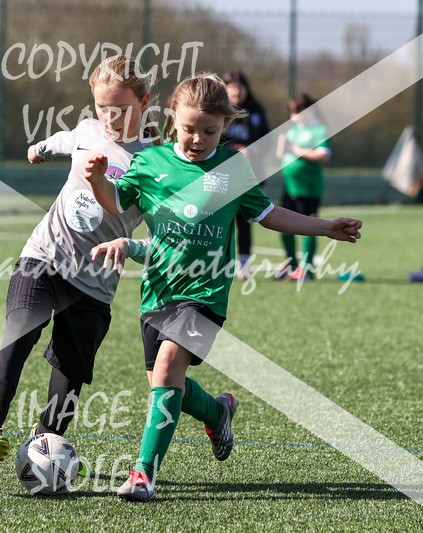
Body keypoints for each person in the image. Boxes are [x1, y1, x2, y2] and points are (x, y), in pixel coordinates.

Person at [84, 73, 362, 501]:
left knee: (166, 369)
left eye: (210, 131)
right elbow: (116, 203)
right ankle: (218, 411)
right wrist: (98, 180)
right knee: (164, 384)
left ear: (226, 126)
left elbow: (269, 214)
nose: (198, 138)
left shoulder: (232, 169)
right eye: (190, 128)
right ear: (172, 118)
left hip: (205, 296)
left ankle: (143, 474)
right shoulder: (150, 164)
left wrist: (326, 228)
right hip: (158, 292)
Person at [0, 55, 161, 478]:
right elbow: (65, 139)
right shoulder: (89, 132)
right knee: (17, 335)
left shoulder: (156, 163)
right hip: (44, 257)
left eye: (121, 108)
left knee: (69, 375)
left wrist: (131, 247)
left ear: (145, 101)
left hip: (94, 285)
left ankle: (44, 448)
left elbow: (165, 239)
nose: (110, 117)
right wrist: (38, 149)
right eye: (102, 107)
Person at [275, 93, 332, 281]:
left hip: (308, 188)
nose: (295, 116)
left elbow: (324, 155)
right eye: (292, 113)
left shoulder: (319, 130)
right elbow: (280, 155)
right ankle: (291, 264)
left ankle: (307, 269)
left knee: (310, 225)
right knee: (283, 226)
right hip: (289, 186)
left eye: (298, 112)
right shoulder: (292, 130)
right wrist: (282, 147)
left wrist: (297, 150)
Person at [221, 71, 271, 278]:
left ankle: (243, 265)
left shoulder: (256, 112)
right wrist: (233, 149)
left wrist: (252, 150)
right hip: (222, 175)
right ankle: (218, 263)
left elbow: (268, 140)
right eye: (231, 87)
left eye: (240, 87)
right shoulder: (218, 110)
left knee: (245, 219)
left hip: (248, 175)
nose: (236, 91)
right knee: (221, 221)